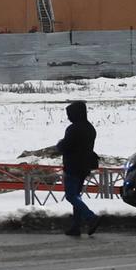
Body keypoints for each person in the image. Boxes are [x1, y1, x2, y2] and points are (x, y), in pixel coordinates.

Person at [56, 101, 100, 236]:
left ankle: (90, 217)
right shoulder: (90, 128)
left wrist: (59, 145)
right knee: (77, 196)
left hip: (73, 166)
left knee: (71, 196)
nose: (68, 117)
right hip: (85, 166)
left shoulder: (73, 129)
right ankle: (76, 226)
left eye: (69, 114)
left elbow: (65, 146)